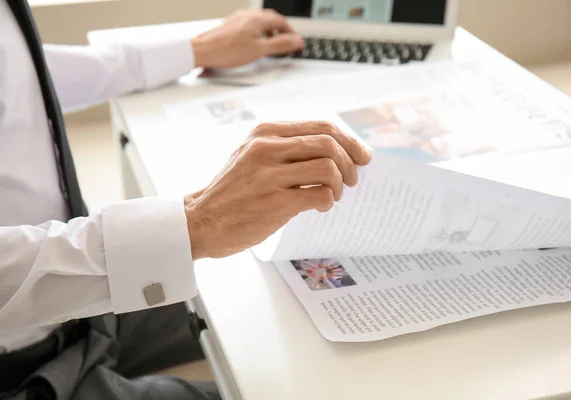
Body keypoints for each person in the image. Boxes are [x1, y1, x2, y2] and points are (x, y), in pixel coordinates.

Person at [0, 2, 371, 399]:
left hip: (68, 309)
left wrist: (193, 51)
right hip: (21, 370)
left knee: (261, 299)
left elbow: (15, 77)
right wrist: (196, 222)